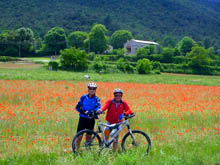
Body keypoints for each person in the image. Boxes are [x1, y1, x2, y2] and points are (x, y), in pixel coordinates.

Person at [75, 82, 101, 150]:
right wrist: (84, 112)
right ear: (88, 89)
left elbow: (98, 107)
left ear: (95, 90)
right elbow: (77, 107)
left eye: (93, 89)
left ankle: (87, 150)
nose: (92, 90)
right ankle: (76, 150)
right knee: (79, 136)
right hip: (82, 119)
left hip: (91, 120)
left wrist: (96, 111)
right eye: (90, 88)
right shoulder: (83, 97)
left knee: (89, 136)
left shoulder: (97, 99)